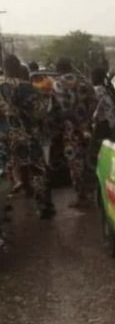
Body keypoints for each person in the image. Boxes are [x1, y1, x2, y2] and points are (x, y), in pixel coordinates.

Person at [0, 54, 55, 219]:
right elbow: (39, 112)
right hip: (26, 135)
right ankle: (44, 206)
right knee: (38, 169)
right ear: (17, 67)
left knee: (6, 171)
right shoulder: (24, 87)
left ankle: (3, 211)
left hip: (4, 136)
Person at [51, 57, 97, 208]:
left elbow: (56, 110)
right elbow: (94, 103)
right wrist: (86, 120)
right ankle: (92, 194)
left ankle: (81, 197)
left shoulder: (57, 84)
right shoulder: (85, 82)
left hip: (70, 131)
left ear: (58, 68)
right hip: (87, 128)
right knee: (88, 161)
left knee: (75, 164)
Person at [90, 67, 115, 167]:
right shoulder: (109, 89)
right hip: (114, 124)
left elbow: (95, 112)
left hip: (103, 125)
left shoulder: (96, 91)